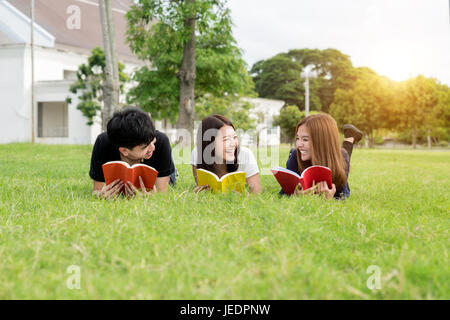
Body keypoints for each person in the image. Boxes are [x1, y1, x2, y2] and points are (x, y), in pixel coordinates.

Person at [89, 106, 175, 199]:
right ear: (124, 151)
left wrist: (151, 197)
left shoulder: (161, 141)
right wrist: (101, 195)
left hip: (164, 169)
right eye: (144, 147)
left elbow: (161, 193)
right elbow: (97, 190)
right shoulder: (103, 143)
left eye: (152, 141)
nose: (153, 148)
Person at [283, 113, 363, 199]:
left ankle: (350, 137)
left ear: (322, 141)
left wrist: (329, 198)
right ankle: (350, 137)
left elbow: (343, 194)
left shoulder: (342, 156)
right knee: (295, 151)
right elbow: (283, 194)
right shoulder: (296, 155)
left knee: (341, 155)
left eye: (305, 139)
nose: (298, 144)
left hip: (334, 155)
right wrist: (295, 196)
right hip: (323, 153)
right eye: (297, 138)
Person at [191, 114, 262, 194]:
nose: (233, 143)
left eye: (234, 137)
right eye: (226, 139)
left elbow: (257, 193)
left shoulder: (246, 155)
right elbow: (202, 189)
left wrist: (245, 198)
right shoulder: (197, 153)